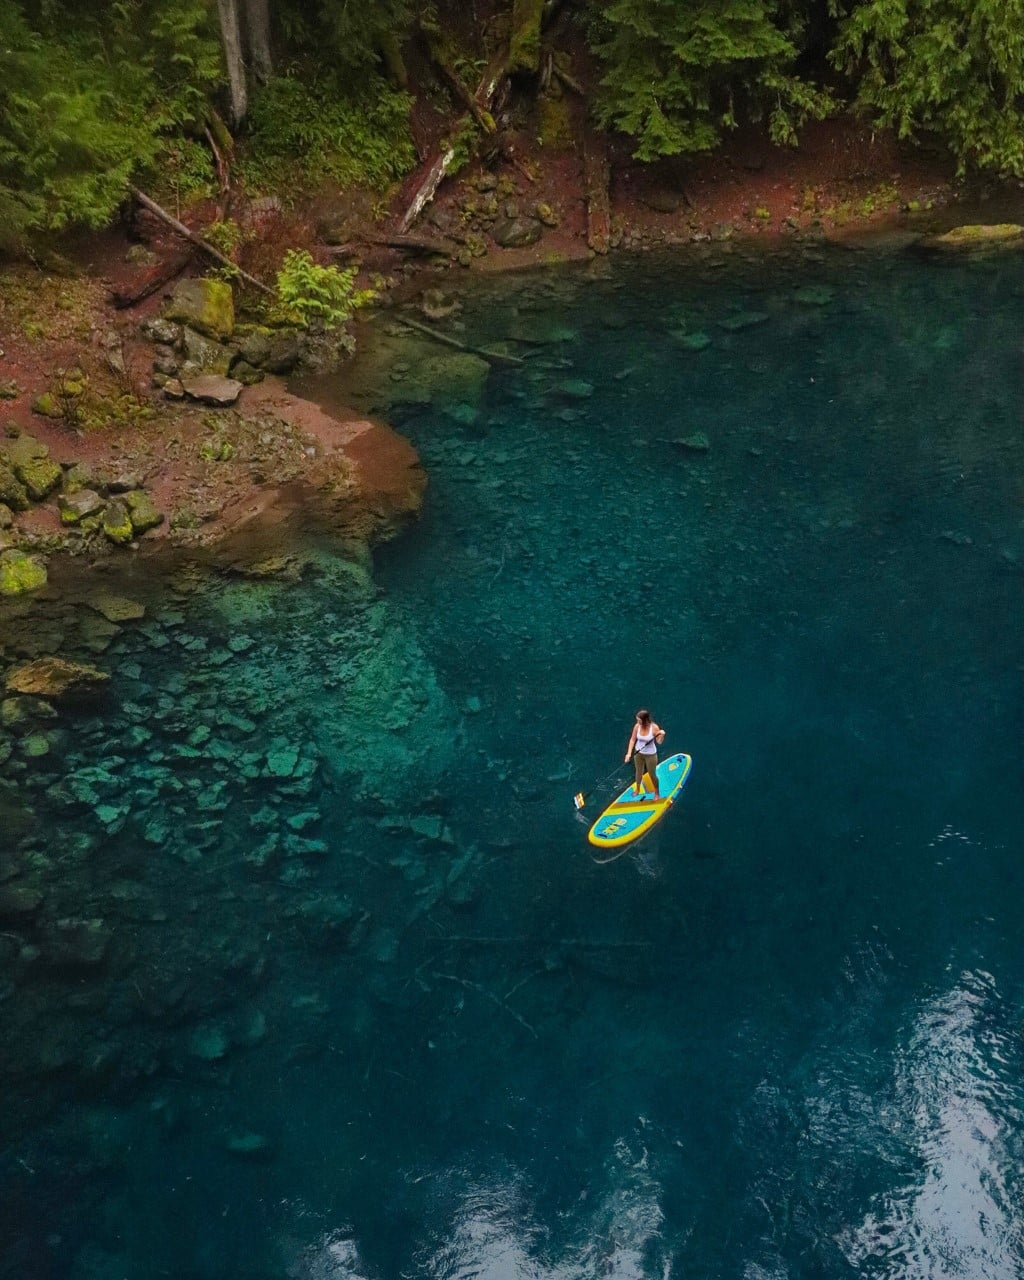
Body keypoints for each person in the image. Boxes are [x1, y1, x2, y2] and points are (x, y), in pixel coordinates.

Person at [625, 708, 666, 799]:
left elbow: (659, 742)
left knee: (652, 774)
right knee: (638, 772)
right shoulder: (637, 726)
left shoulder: (654, 728)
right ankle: (638, 789)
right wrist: (628, 753)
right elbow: (632, 740)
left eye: (639, 720)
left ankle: (656, 792)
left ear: (644, 720)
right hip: (638, 753)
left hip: (650, 755)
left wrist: (662, 735)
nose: (637, 722)